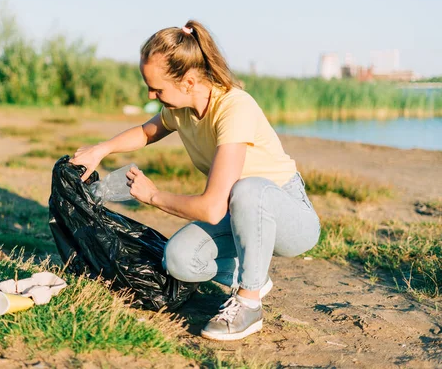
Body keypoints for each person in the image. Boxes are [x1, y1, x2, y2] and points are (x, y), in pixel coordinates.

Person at [70, 20, 320, 341]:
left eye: (157, 88)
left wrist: (154, 196)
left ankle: (249, 304)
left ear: (188, 81)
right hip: (238, 214)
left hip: (289, 218)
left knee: (246, 190)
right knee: (178, 258)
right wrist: (99, 150)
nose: (151, 94)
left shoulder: (234, 107)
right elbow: (147, 131)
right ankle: (250, 275)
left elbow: (213, 208)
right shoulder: (182, 109)